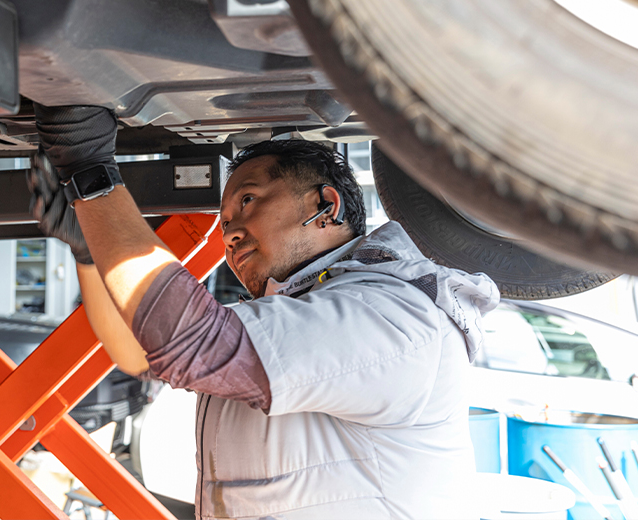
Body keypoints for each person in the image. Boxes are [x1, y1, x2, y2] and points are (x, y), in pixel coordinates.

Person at [27, 105, 500, 519]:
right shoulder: (296, 315)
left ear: (325, 206)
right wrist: (90, 251)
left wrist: (92, 175)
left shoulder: (392, 313)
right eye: (225, 221)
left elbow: (190, 345)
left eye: (247, 202)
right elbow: (140, 354)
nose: (229, 234)